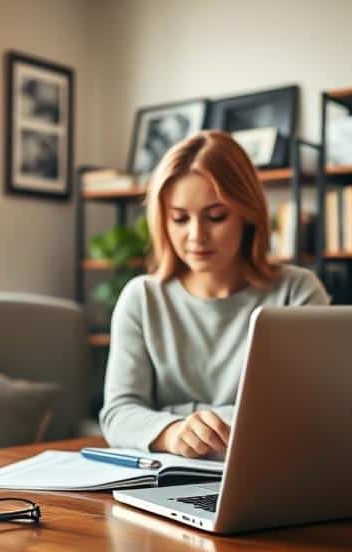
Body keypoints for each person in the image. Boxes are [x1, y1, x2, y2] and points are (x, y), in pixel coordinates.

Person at [99, 130, 330, 458]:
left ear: (247, 214)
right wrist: (174, 432)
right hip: (168, 478)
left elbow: (311, 409)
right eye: (179, 218)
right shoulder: (142, 298)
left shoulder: (298, 292)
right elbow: (118, 414)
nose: (196, 236)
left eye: (216, 216)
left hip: (266, 469)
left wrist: (184, 412)